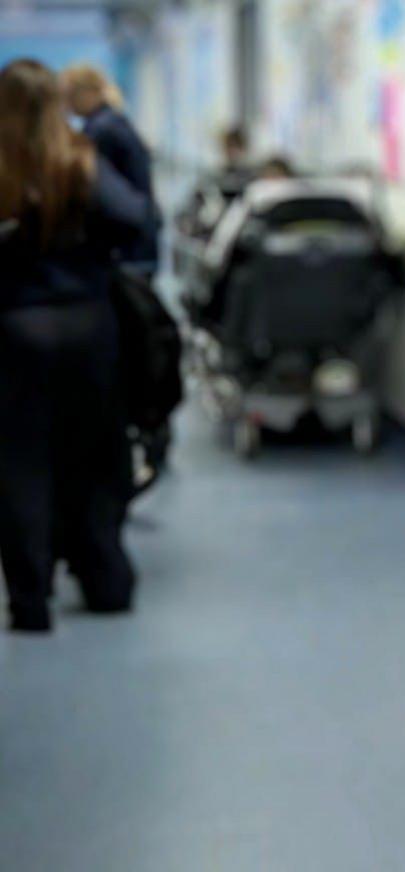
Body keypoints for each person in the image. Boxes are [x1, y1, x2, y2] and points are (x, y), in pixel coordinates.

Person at [0, 59, 157, 632]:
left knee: (19, 464)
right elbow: (137, 219)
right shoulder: (80, 161)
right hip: (88, 324)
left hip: (15, 329)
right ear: (54, 105)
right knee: (93, 455)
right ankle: (105, 580)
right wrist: (88, 250)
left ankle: (30, 599)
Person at [60, 64, 160, 273]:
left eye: (69, 96)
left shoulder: (100, 130)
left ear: (86, 93)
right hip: (139, 238)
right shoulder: (114, 122)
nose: (66, 104)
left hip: (125, 248)